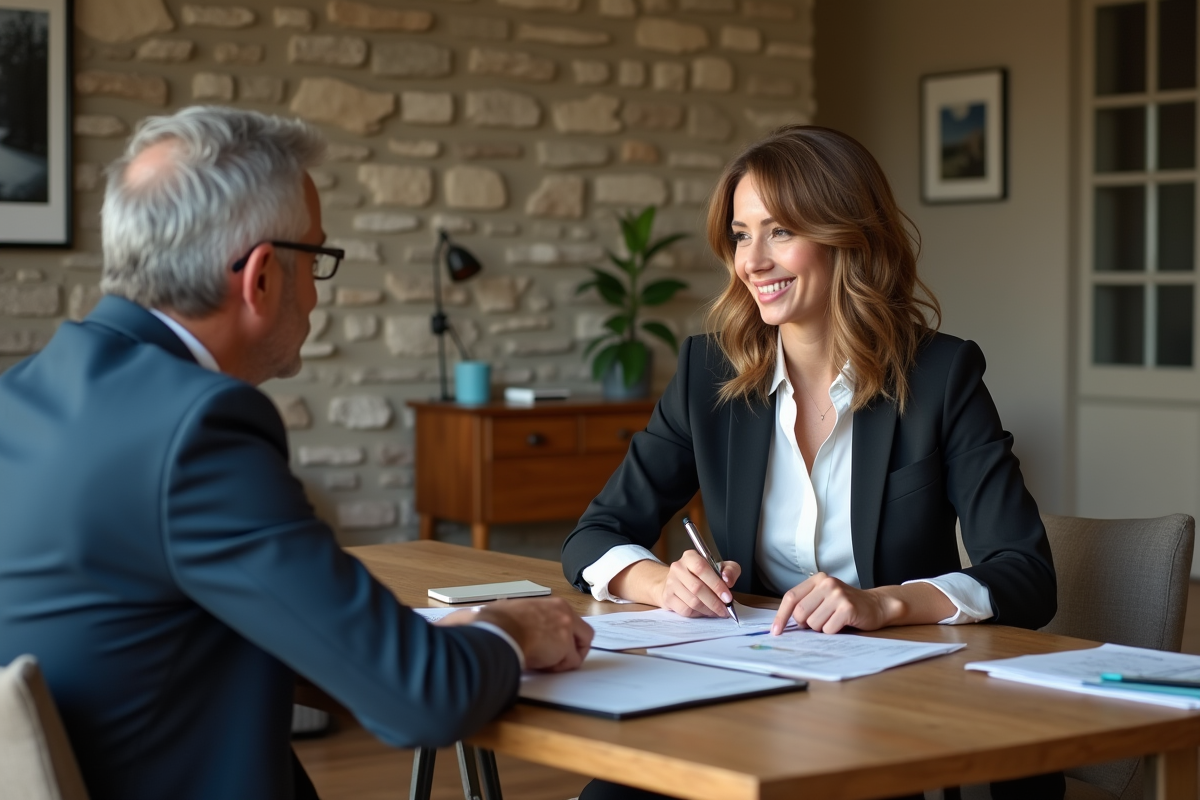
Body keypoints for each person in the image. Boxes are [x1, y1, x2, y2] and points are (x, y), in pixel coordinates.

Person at [0, 106, 593, 800]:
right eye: (317, 258)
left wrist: (398, 637)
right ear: (259, 277)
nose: (316, 294)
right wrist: (509, 628)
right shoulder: (196, 429)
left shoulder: (23, 392)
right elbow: (422, 699)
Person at [561, 126, 1060, 800]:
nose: (753, 262)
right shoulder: (707, 375)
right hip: (742, 693)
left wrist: (882, 604)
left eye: (780, 231)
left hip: (888, 709)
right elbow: (594, 536)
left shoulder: (941, 376)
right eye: (741, 235)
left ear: (845, 235)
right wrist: (660, 585)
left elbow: (1026, 574)